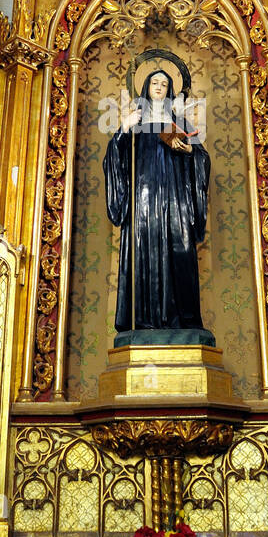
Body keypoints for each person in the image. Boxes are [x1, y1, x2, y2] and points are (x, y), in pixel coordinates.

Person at [103, 69, 211, 336]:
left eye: (165, 83)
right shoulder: (136, 121)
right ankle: (143, 320)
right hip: (144, 201)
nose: (160, 87)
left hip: (176, 199)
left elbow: (201, 158)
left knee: (181, 250)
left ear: (171, 90)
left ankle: (182, 321)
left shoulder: (181, 121)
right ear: (146, 88)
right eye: (155, 82)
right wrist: (123, 130)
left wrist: (190, 152)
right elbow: (113, 159)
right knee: (144, 251)